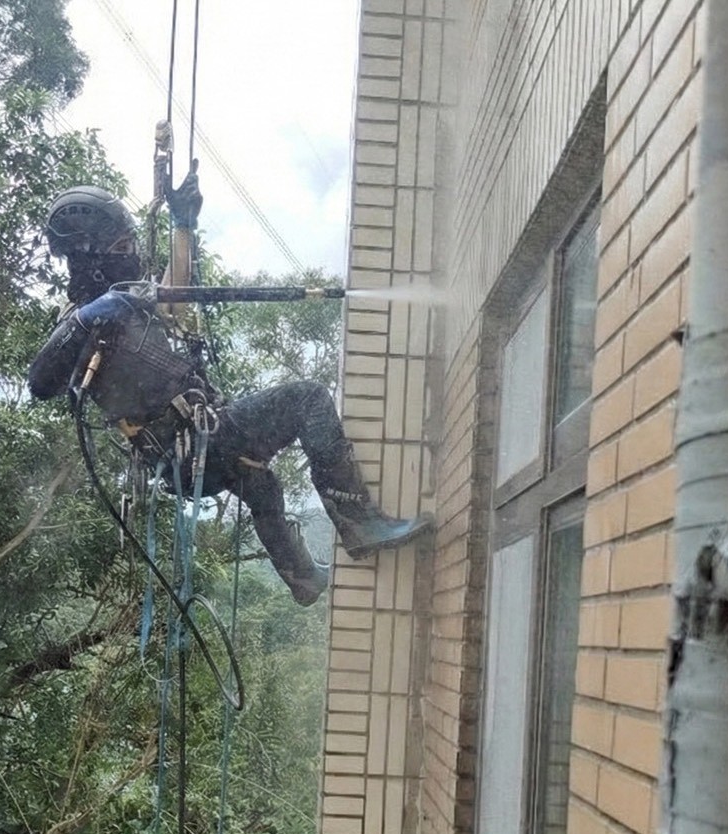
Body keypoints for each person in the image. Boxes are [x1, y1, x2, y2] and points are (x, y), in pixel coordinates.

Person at [28, 178, 433, 605]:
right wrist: (92, 315)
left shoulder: (127, 303)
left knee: (262, 486)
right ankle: (358, 522)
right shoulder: (82, 323)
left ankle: (301, 577)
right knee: (307, 399)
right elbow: (40, 381)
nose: (133, 255)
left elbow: (174, 295)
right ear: (89, 256)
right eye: (123, 247)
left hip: (196, 448)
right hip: (191, 447)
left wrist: (182, 226)